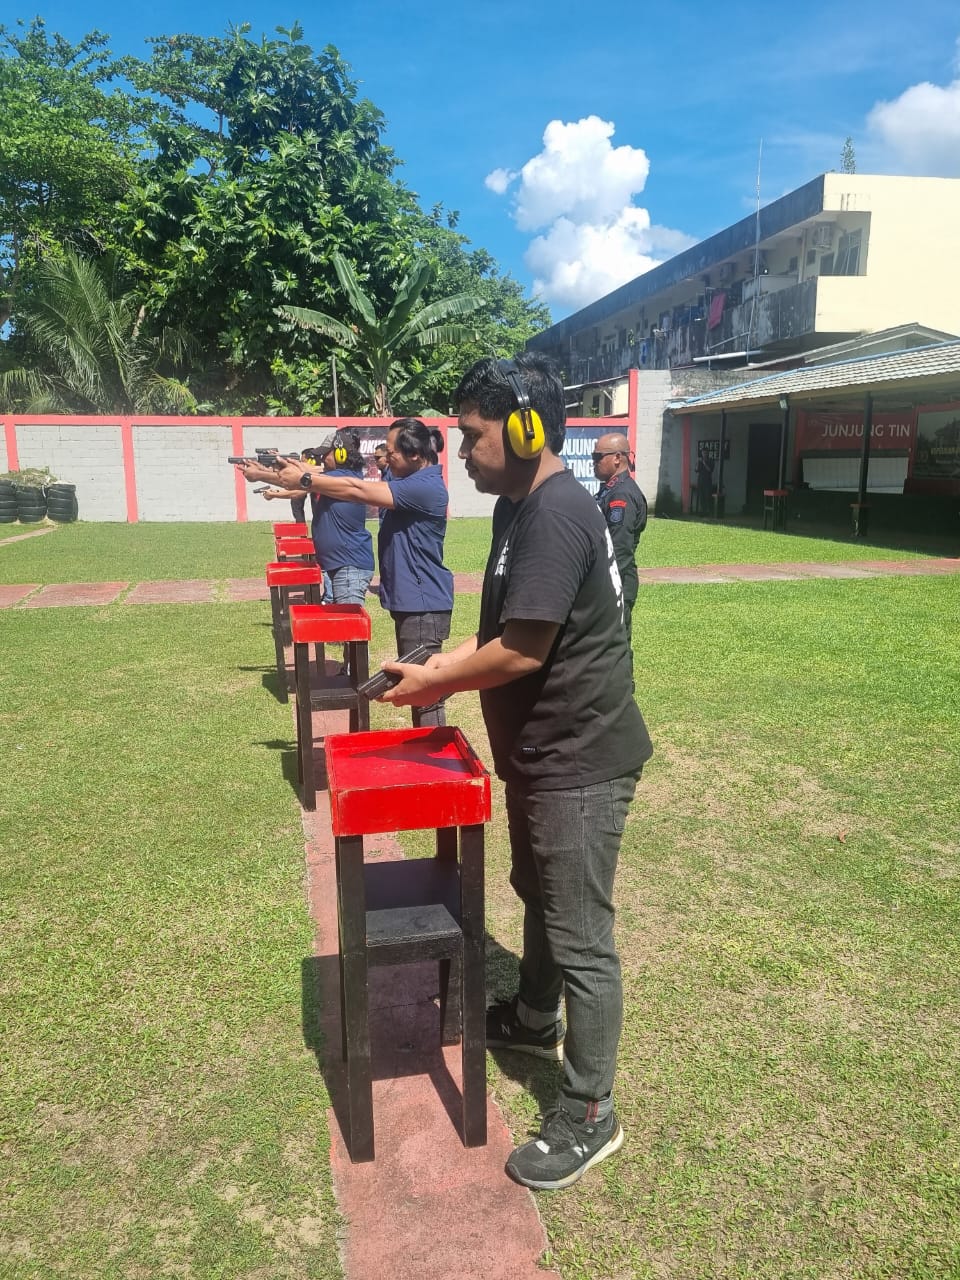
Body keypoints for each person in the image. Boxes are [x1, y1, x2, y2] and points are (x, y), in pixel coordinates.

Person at [377, 354, 653, 1191]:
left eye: (471, 434)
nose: (458, 450)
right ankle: (535, 1019)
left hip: (579, 760)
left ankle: (589, 1113)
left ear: (527, 429)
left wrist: (439, 681)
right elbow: (499, 630)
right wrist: (434, 662)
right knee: (538, 896)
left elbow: (525, 650)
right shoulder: (515, 508)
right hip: (540, 756)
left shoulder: (557, 515)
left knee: (580, 939)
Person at [257, 418, 455, 727]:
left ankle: (434, 760)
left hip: (423, 604)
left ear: (415, 455)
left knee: (425, 694)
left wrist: (305, 479)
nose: (383, 459)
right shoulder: (407, 477)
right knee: (418, 688)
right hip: (413, 602)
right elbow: (339, 475)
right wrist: (296, 470)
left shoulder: (424, 486)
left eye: (390, 453)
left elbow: (356, 487)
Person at [240, 432, 374, 605]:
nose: (322, 457)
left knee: (348, 627)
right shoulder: (340, 475)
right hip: (339, 564)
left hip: (348, 567)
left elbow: (297, 481)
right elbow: (308, 471)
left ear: (342, 454)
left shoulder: (342, 478)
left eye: (327, 453)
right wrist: (270, 467)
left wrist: (259, 475)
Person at [592, 432, 647, 650]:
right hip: (613, 579)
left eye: (598, 457)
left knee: (615, 645)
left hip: (616, 582)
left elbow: (619, 549)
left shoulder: (621, 496)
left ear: (617, 458)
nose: (593, 462)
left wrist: (601, 586)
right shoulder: (612, 490)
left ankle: (624, 685)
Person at [696, 445, 715, 515]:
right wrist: (698, 463)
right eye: (703, 453)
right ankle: (702, 512)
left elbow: (710, 470)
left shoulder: (711, 460)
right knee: (701, 497)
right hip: (700, 481)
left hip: (708, 482)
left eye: (705, 453)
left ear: (707, 453)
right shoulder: (700, 461)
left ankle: (709, 512)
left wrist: (704, 463)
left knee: (708, 497)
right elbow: (697, 470)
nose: (704, 454)